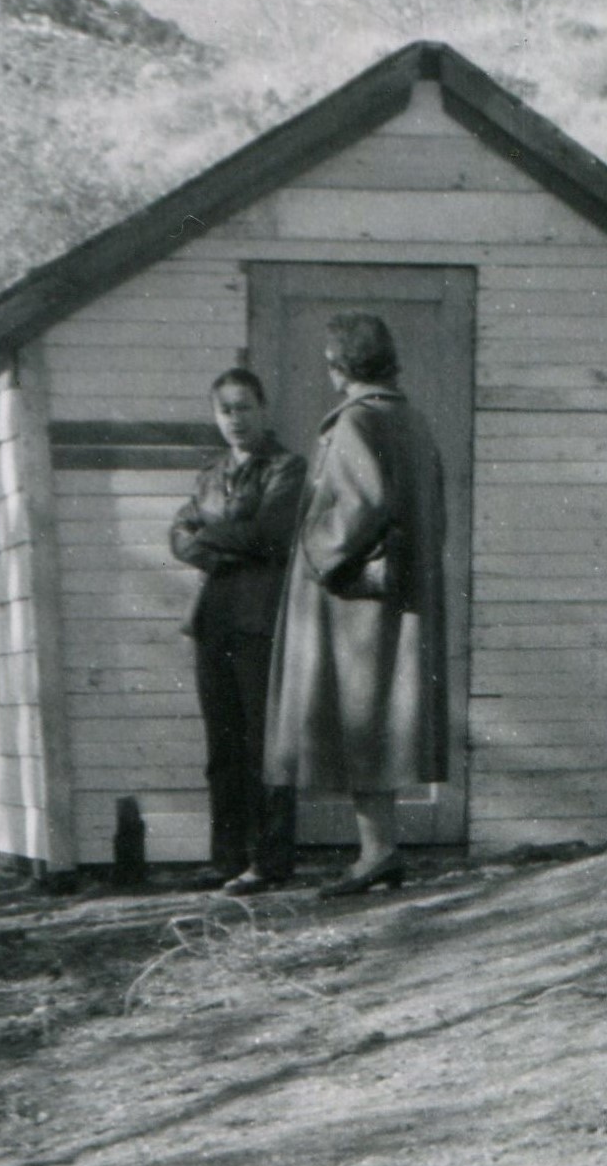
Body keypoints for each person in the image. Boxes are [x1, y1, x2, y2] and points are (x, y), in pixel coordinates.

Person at [263, 310, 450, 897]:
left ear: (340, 365)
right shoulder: (413, 421)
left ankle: (377, 852)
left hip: (356, 604)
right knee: (380, 721)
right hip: (397, 594)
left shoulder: (355, 424)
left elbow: (354, 508)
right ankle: (381, 850)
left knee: (362, 718)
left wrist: (316, 551)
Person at [168, 365, 307, 888]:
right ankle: (226, 859)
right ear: (215, 416)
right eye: (225, 410)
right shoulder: (209, 475)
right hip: (213, 620)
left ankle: (269, 861)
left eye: (244, 407)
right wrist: (219, 540)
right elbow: (178, 536)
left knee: (261, 746)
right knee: (221, 748)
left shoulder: (286, 468)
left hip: (259, 620)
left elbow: (269, 534)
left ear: (263, 409)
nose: (235, 419)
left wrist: (210, 535)